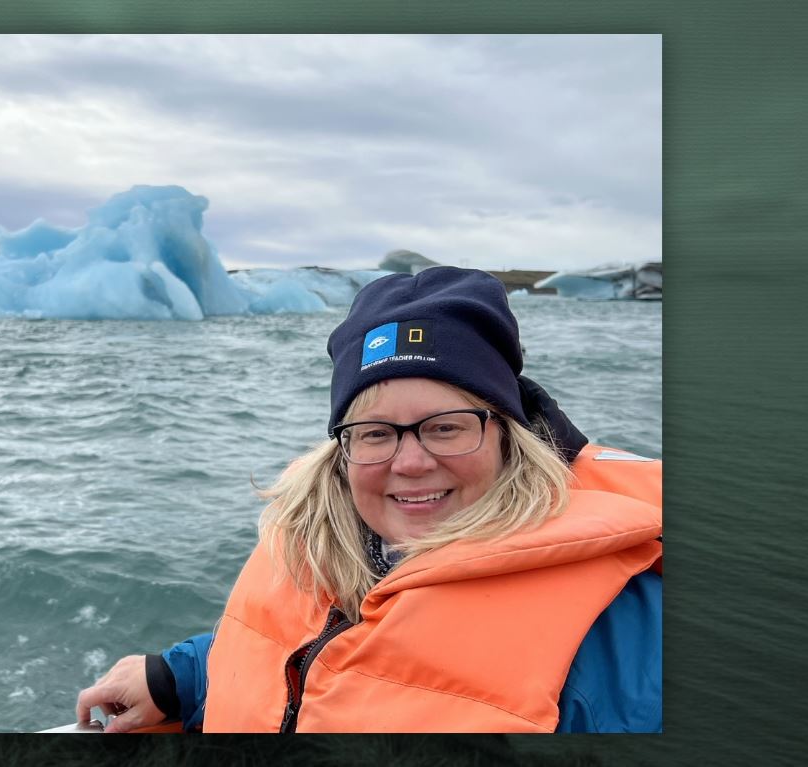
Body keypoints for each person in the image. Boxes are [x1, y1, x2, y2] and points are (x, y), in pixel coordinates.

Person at [76, 267, 662, 733]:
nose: (409, 462)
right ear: (342, 447)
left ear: (508, 434)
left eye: (446, 426)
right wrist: (178, 678)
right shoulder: (327, 543)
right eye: (376, 433)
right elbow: (317, 657)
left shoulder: (619, 630)